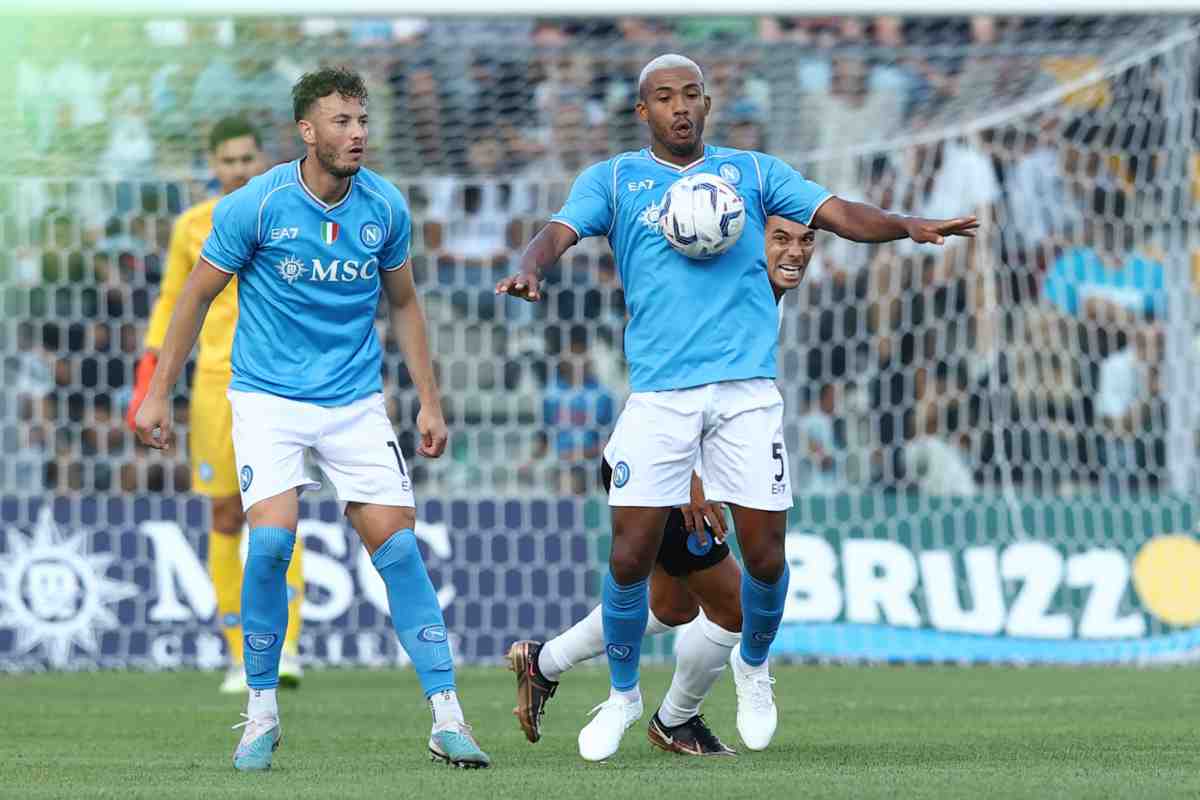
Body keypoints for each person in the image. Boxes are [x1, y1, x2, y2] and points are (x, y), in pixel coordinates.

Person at [496, 53, 977, 762]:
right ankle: (649, 706)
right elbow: (558, 232)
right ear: (643, 112)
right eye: (665, 98)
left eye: (692, 94)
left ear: (708, 103)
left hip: (745, 402)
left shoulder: (751, 176)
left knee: (705, 591)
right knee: (678, 588)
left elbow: (839, 211)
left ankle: (591, 670)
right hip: (661, 405)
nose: (680, 107)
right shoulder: (616, 181)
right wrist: (532, 268)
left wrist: (905, 225)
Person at [134, 67, 490, 771]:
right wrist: (156, 393)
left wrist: (430, 398)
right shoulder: (258, 205)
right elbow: (194, 298)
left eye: (362, 121)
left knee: (397, 548)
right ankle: (260, 715)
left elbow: (407, 304)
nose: (357, 133)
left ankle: (447, 715)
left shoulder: (384, 207)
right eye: (342, 122)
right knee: (267, 545)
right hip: (267, 399)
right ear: (307, 130)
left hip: (355, 402)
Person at [508, 216, 817, 757]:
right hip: (661, 464)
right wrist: (690, 481)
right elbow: (672, 386)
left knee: (674, 608)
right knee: (732, 609)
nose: (794, 252)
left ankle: (544, 662)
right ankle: (674, 719)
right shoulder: (719, 284)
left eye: (805, 241)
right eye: (780, 240)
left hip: (668, 461)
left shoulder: (764, 290)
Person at [127, 117, 306, 695]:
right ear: (213, 164)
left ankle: (291, 646)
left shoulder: (287, 213)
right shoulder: (190, 227)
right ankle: (239, 653)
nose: (238, 169)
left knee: (277, 514)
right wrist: (150, 375)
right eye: (227, 160)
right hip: (213, 384)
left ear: (262, 160)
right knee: (226, 514)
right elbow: (173, 302)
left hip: (278, 381)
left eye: (247, 158)